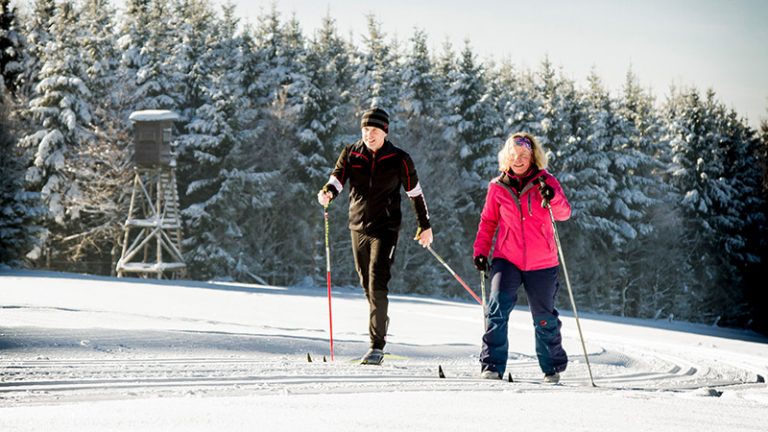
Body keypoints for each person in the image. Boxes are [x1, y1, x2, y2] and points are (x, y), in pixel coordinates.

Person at [317, 107, 433, 365]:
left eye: (374, 130)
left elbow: (415, 193)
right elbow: (337, 178)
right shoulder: (351, 152)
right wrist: (327, 192)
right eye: (365, 130)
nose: (369, 134)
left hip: (386, 229)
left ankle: (376, 346)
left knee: (377, 281)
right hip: (357, 227)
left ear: (385, 131)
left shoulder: (399, 158)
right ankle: (380, 320)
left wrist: (425, 225)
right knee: (365, 284)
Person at [472, 132, 571, 383]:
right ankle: (492, 365)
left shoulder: (546, 182)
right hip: (508, 258)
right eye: (514, 155)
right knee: (496, 308)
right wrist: (481, 252)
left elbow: (563, 214)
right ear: (507, 157)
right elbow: (488, 222)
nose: (518, 159)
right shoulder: (497, 187)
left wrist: (553, 197)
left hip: (542, 262)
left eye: (523, 155)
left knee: (544, 317)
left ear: (532, 156)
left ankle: (552, 367)